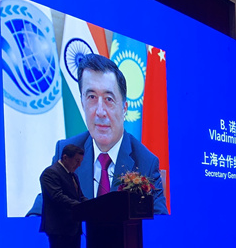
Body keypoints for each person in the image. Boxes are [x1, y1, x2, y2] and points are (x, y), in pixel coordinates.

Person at [30, 54, 167, 215]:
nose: (100, 112)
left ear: (124, 108)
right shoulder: (65, 151)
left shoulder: (145, 163)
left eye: (109, 99)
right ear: (82, 103)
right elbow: (39, 212)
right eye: (92, 97)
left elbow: (160, 225)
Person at [40, 144, 87, 248]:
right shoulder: (50, 173)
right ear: (65, 157)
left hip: (73, 227)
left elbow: (80, 197)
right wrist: (80, 206)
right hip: (59, 228)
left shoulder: (73, 175)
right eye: (76, 161)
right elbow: (58, 197)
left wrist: (92, 205)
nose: (79, 165)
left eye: (80, 161)